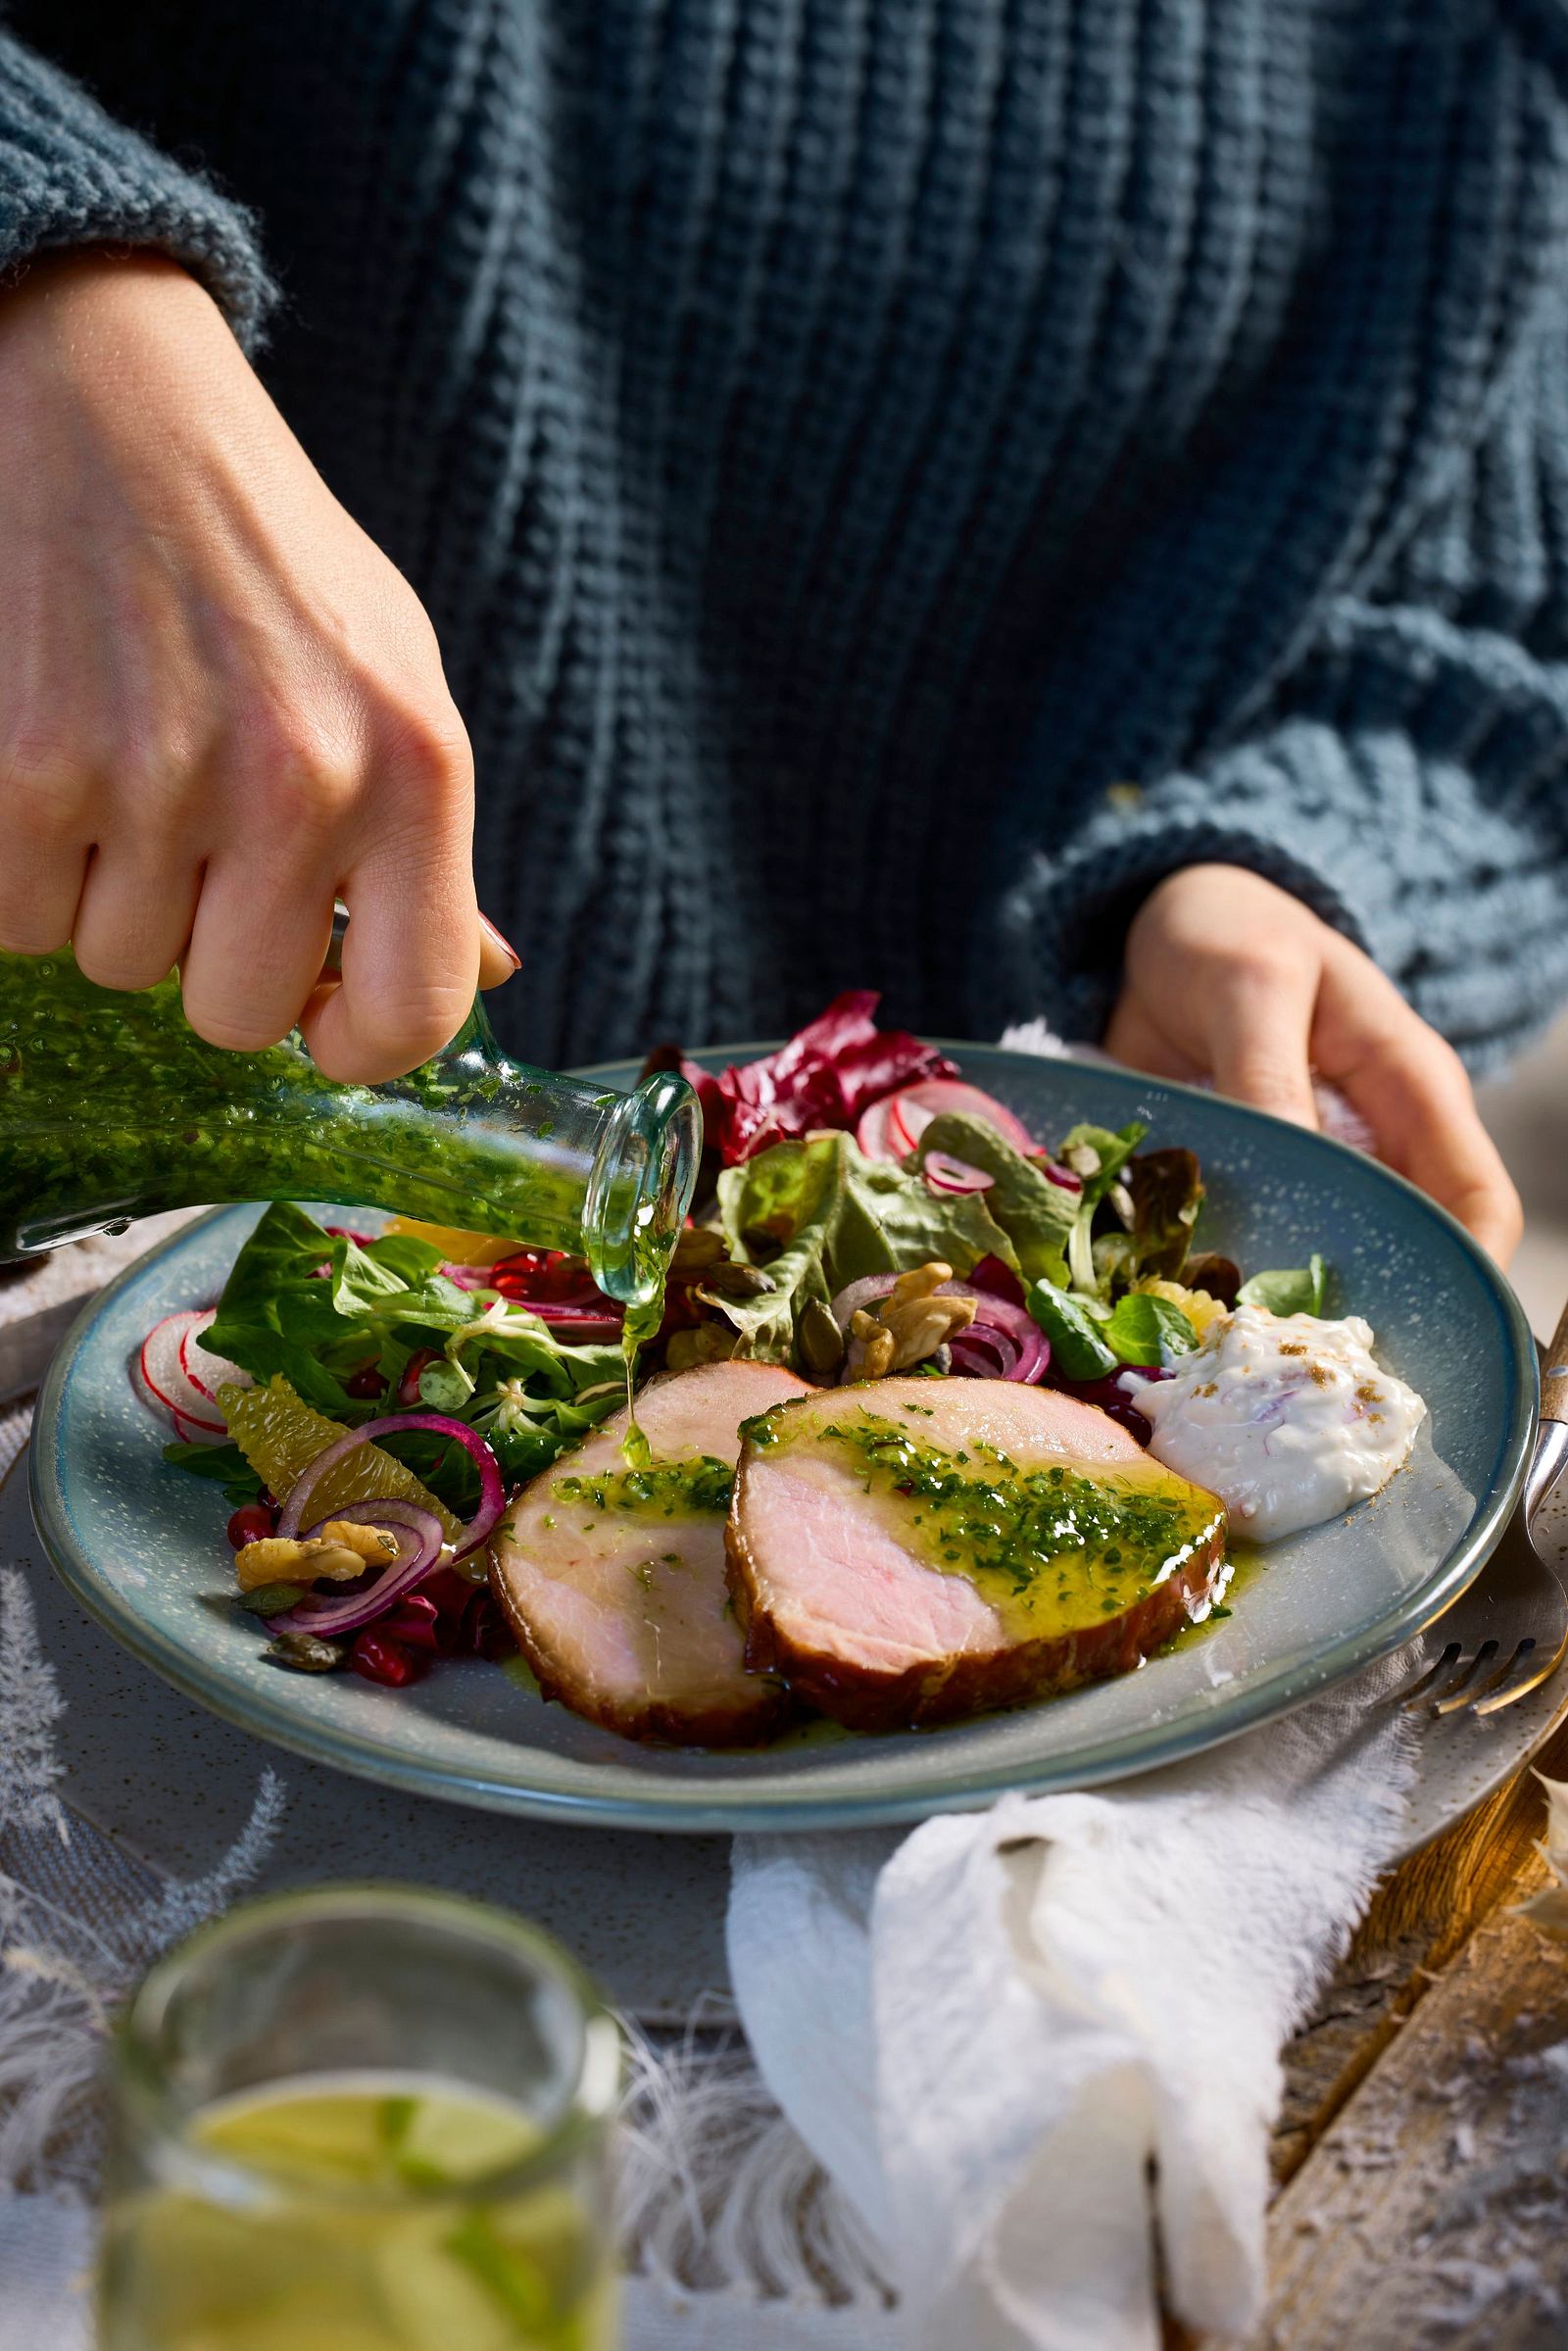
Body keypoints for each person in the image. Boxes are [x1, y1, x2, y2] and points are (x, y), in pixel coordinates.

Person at [0, 1, 1556, 1266]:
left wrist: (1279, 861)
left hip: (1015, 1205)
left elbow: (1503, 611)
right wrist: (55, 299)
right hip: (103, 1183)